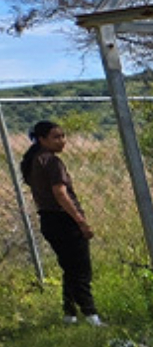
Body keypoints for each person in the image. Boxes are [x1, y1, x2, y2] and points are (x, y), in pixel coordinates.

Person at [20, 119, 101, 327]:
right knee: (81, 269)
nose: (62, 141)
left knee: (70, 268)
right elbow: (60, 193)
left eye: (63, 136)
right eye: (56, 137)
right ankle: (91, 316)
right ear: (42, 139)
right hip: (63, 219)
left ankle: (70, 314)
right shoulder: (52, 162)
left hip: (47, 219)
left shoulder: (34, 160)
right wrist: (81, 221)